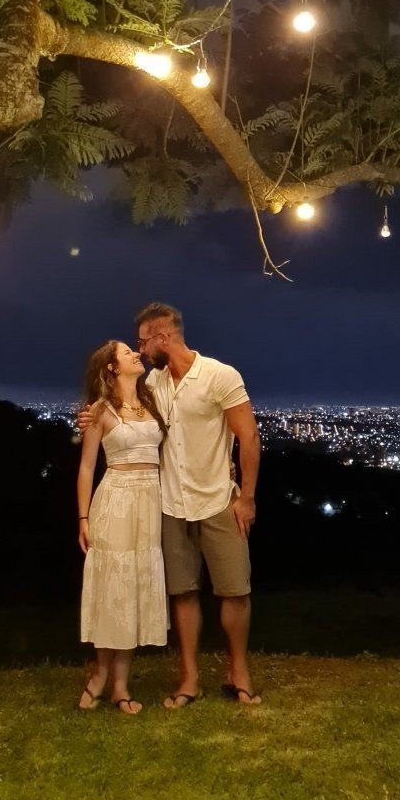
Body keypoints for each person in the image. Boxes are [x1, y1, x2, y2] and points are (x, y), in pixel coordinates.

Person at [80, 303, 262, 707]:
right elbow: (118, 411)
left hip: (218, 500)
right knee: (183, 593)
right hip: (171, 505)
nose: (141, 350)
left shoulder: (219, 375)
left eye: (144, 342)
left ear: (163, 337)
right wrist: (89, 419)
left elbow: (249, 437)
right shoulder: (153, 384)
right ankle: (189, 680)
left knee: (234, 590)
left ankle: (239, 672)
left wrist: (247, 497)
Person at [76, 339, 169, 715]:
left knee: (134, 588)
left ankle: (121, 685)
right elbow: (86, 468)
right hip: (115, 500)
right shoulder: (100, 410)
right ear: (112, 368)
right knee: (113, 587)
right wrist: (83, 518)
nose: (136, 354)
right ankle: (100, 675)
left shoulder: (151, 401)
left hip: (148, 502)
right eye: (127, 352)